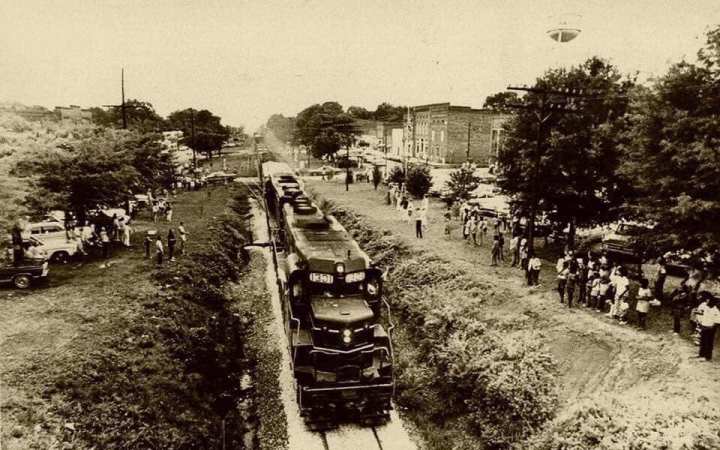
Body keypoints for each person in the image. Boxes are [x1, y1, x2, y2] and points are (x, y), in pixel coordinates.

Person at [695, 293, 720, 361]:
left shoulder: (716, 311)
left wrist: (712, 327)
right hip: (704, 326)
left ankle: (707, 357)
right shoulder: (705, 307)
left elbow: (717, 321)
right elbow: (699, 313)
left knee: (708, 342)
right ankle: (701, 354)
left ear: (712, 302)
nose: (707, 302)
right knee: (702, 341)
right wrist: (700, 322)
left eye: (708, 301)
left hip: (710, 328)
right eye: (707, 300)